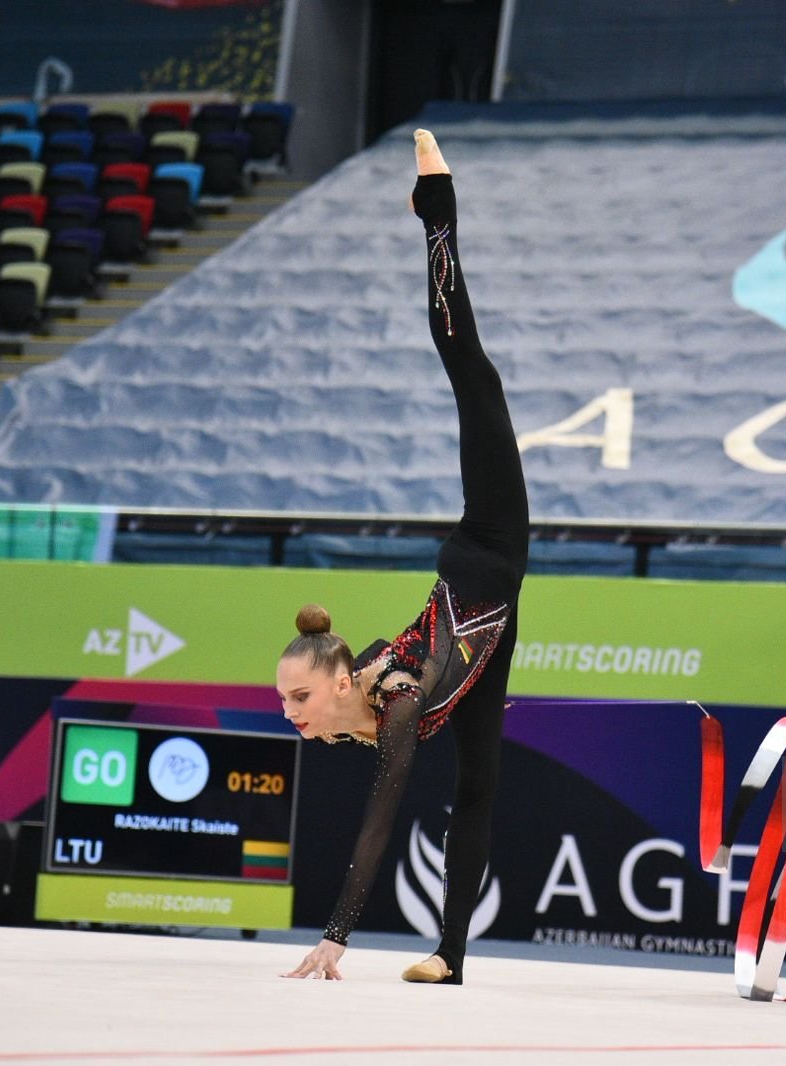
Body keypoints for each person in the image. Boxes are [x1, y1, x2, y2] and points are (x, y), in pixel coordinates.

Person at [277, 129, 529, 985]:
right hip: (492, 623)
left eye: (298, 695)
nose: (289, 711)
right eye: (285, 699)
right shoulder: (370, 696)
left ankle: (437, 212)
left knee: (470, 368)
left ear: (341, 682)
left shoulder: (391, 701)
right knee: (481, 785)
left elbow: (380, 822)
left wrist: (337, 935)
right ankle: (452, 956)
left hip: (489, 539)